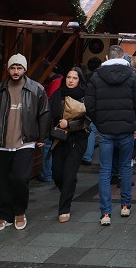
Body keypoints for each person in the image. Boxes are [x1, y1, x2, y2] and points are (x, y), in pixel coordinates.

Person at [0, 53, 50, 231]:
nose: (16, 71)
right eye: (13, 67)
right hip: (1, 142)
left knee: (20, 178)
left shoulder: (36, 89)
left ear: (25, 69)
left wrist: (42, 137)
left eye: (19, 68)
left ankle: (19, 212)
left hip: (25, 141)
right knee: (1, 181)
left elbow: (44, 113)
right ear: (8, 69)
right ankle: (4, 215)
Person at [84, 45, 136, 226]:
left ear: (106, 57)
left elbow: (89, 104)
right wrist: (133, 122)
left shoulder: (97, 76)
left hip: (105, 130)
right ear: (123, 56)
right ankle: (125, 205)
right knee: (125, 167)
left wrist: (99, 122)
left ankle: (105, 213)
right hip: (126, 128)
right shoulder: (132, 76)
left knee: (105, 170)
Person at [49, 67, 89, 223]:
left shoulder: (85, 96)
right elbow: (48, 115)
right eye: (68, 77)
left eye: (75, 78)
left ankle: (64, 209)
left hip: (77, 139)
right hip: (59, 139)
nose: (71, 80)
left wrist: (70, 125)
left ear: (80, 80)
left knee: (69, 174)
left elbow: (88, 120)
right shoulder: (57, 94)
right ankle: (67, 190)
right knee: (57, 173)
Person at [39, 71, 63, 182]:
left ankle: (47, 174)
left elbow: (50, 102)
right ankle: (52, 173)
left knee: (48, 147)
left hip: (52, 121)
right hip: (60, 122)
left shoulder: (55, 82)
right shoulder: (62, 82)